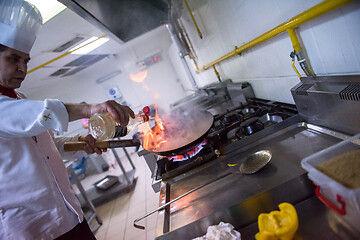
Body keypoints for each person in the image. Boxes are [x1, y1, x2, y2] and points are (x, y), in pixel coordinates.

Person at [0, 0, 135, 239]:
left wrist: (80, 141)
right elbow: (39, 114)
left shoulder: (19, 98)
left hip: (69, 214)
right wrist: (90, 108)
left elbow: (49, 147)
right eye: (13, 59)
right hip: (33, 230)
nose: (23, 68)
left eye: (26, 61)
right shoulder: (11, 108)